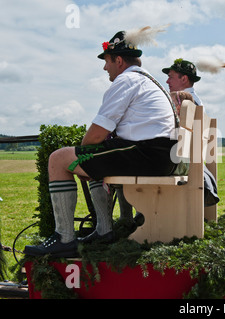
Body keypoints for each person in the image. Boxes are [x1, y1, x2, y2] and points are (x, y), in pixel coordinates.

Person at [25, 29, 178, 258]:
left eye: (106, 61)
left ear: (118, 60)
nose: (104, 67)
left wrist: (81, 158)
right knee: (93, 158)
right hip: (159, 155)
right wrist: (89, 161)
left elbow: (96, 135)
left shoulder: (127, 80)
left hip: (147, 154)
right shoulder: (147, 79)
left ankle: (64, 238)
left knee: (59, 159)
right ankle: (103, 230)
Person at [163, 59, 219, 207]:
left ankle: (128, 219)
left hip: (179, 160)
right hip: (191, 158)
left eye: (171, 76)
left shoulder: (184, 102)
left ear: (184, 78)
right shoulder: (197, 102)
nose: (167, 81)